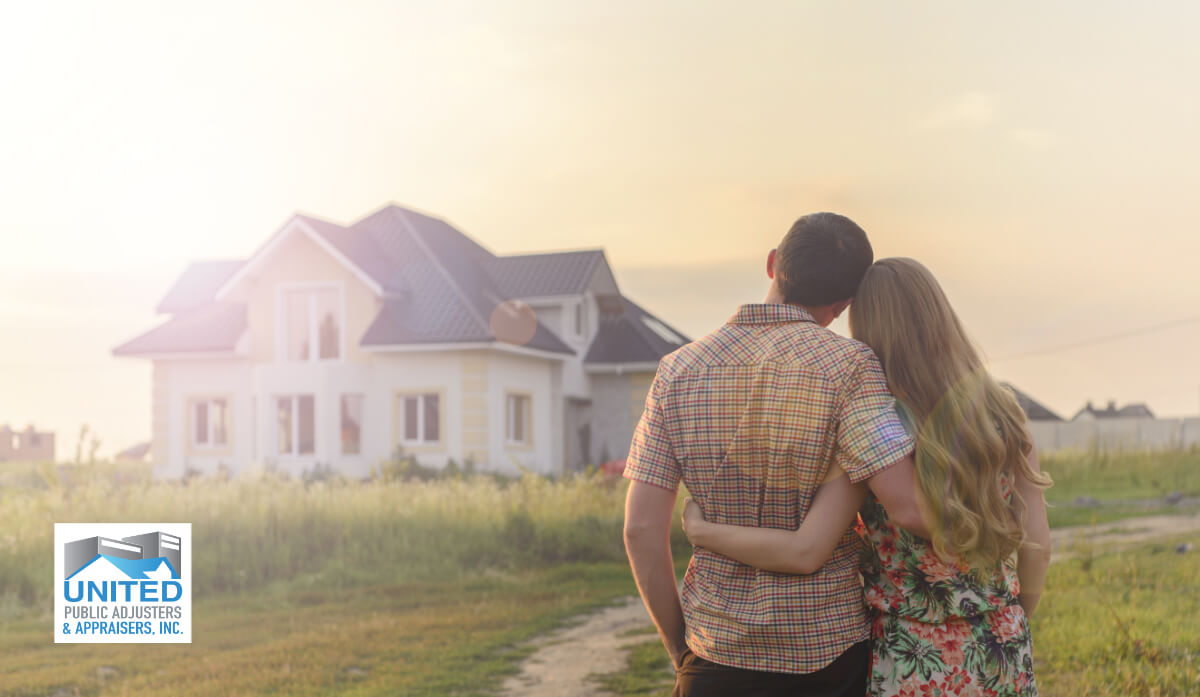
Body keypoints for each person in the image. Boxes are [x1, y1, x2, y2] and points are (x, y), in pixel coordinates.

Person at [682, 257, 1053, 697]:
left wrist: (702, 530)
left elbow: (805, 548)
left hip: (910, 654)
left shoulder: (874, 430)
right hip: (1002, 644)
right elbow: (1040, 548)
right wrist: (1011, 619)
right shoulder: (1004, 414)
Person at [623, 213, 932, 697]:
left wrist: (680, 650)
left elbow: (640, 529)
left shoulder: (676, 371)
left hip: (714, 652)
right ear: (844, 304)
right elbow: (907, 504)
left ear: (772, 264)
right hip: (827, 655)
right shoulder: (851, 366)